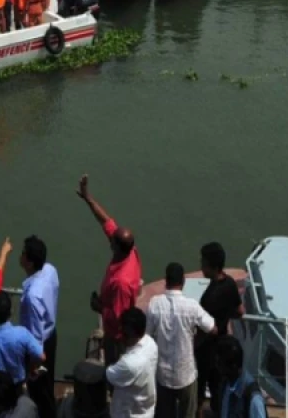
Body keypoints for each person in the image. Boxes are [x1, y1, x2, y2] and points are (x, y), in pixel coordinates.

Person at [77, 174, 142, 365]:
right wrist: (88, 198)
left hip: (117, 336)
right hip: (118, 305)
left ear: (118, 247)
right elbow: (106, 222)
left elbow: (118, 318)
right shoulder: (130, 251)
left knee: (113, 369)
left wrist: (98, 307)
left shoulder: (121, 282)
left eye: (112, 241)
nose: (109, 240)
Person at [146, 263, 215, 418]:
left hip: (163, 375)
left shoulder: (154, 304)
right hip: (186, 374)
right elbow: (212, 328)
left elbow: (147, 335)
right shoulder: (191, 306)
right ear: (183, 281)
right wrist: (195, 339)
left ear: (166, 280)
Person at [196, 243, 243, 417]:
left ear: (214, 267)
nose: (201, 267)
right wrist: (225, 316)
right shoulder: (230, 283)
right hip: (222, 349)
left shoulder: (209, 297)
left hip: (206, 351)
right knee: (219, 392)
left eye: (204, 263)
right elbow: (240, 311)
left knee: (199, 392)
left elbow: (207, 330)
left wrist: (193, 345)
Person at [20, 236, 60, 418]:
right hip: (51, 334)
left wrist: (34, 364)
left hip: (39, 345)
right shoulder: (50, 270)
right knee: (48, 385)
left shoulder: (32, 297)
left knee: (39, 392)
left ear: (29, 262)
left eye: (23, 253)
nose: (20, 256)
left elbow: (35, 334)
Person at [0, 292, 44, 388]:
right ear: (11, 312)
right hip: (17, 388)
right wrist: (31, 371)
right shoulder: (22, 334)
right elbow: (41, 357)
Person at [107, 308, 158, 418]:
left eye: (123, 331)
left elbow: (109, 375)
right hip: (147, 411)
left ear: (130, 332)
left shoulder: (129, 364)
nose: (121, 334)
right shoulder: (151, 343)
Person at [216, 336, 265, 418]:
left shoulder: (253, 398)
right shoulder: (224, 387)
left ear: (233, 366)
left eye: (220, 363)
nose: (217, 366)